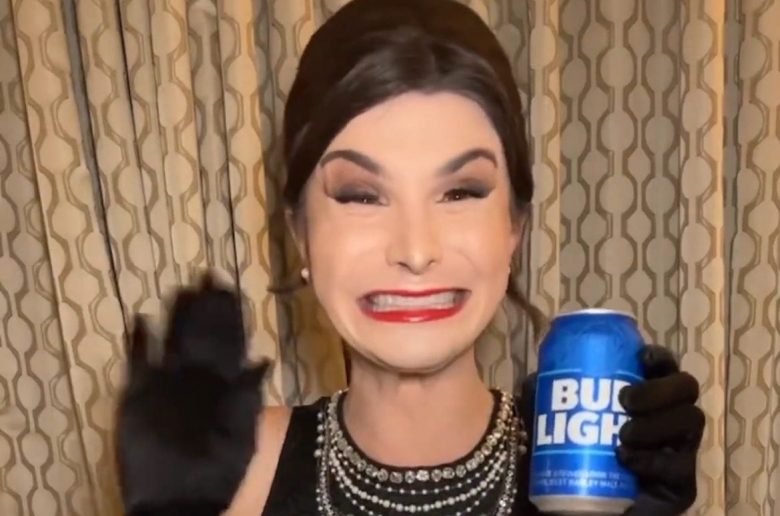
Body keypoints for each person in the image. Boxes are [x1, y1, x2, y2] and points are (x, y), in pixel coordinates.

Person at [116, 0, 705, 514]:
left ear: (514, 227)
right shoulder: (236, 474)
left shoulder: (583, 470)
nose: (416, 251)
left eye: (460, 193)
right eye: (361, 195)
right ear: (300, 232)